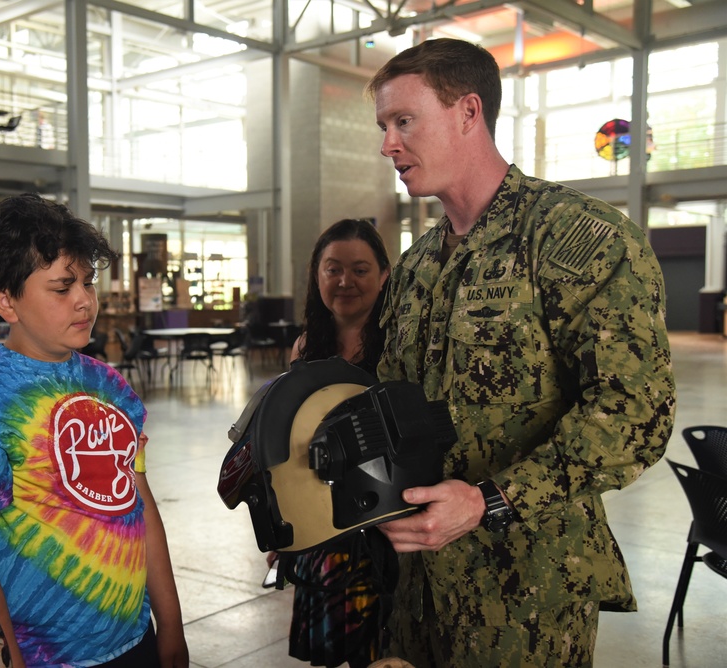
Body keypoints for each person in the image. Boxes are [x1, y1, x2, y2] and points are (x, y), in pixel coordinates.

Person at [366, 38, 676, 667]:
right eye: (383, 126)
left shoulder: (576, 238)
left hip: (525, 595)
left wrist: (488, 501)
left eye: (403, 121)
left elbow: (633, 416)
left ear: (468, 112)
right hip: (413, 588)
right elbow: (387, 409)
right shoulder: (415, 266)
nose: (387, 145)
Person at [0, 193, 189, 668]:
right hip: (47, 656)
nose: (85, 300)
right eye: (62, 288)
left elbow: (140, 506)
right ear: (7, 300)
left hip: (134, 639)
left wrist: (169, 624)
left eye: (87, 282)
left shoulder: (110, 385)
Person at [280, 218, 396, 668]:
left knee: (380, 649)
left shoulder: (401, 343)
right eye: (333, 269)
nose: (345, 281)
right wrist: (284, 517)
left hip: (383, 520)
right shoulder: (306, 347)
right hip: (320, 526)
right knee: (333, 650)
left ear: (384, 276)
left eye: (360, 269)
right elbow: (292, 439)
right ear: (317, 274)